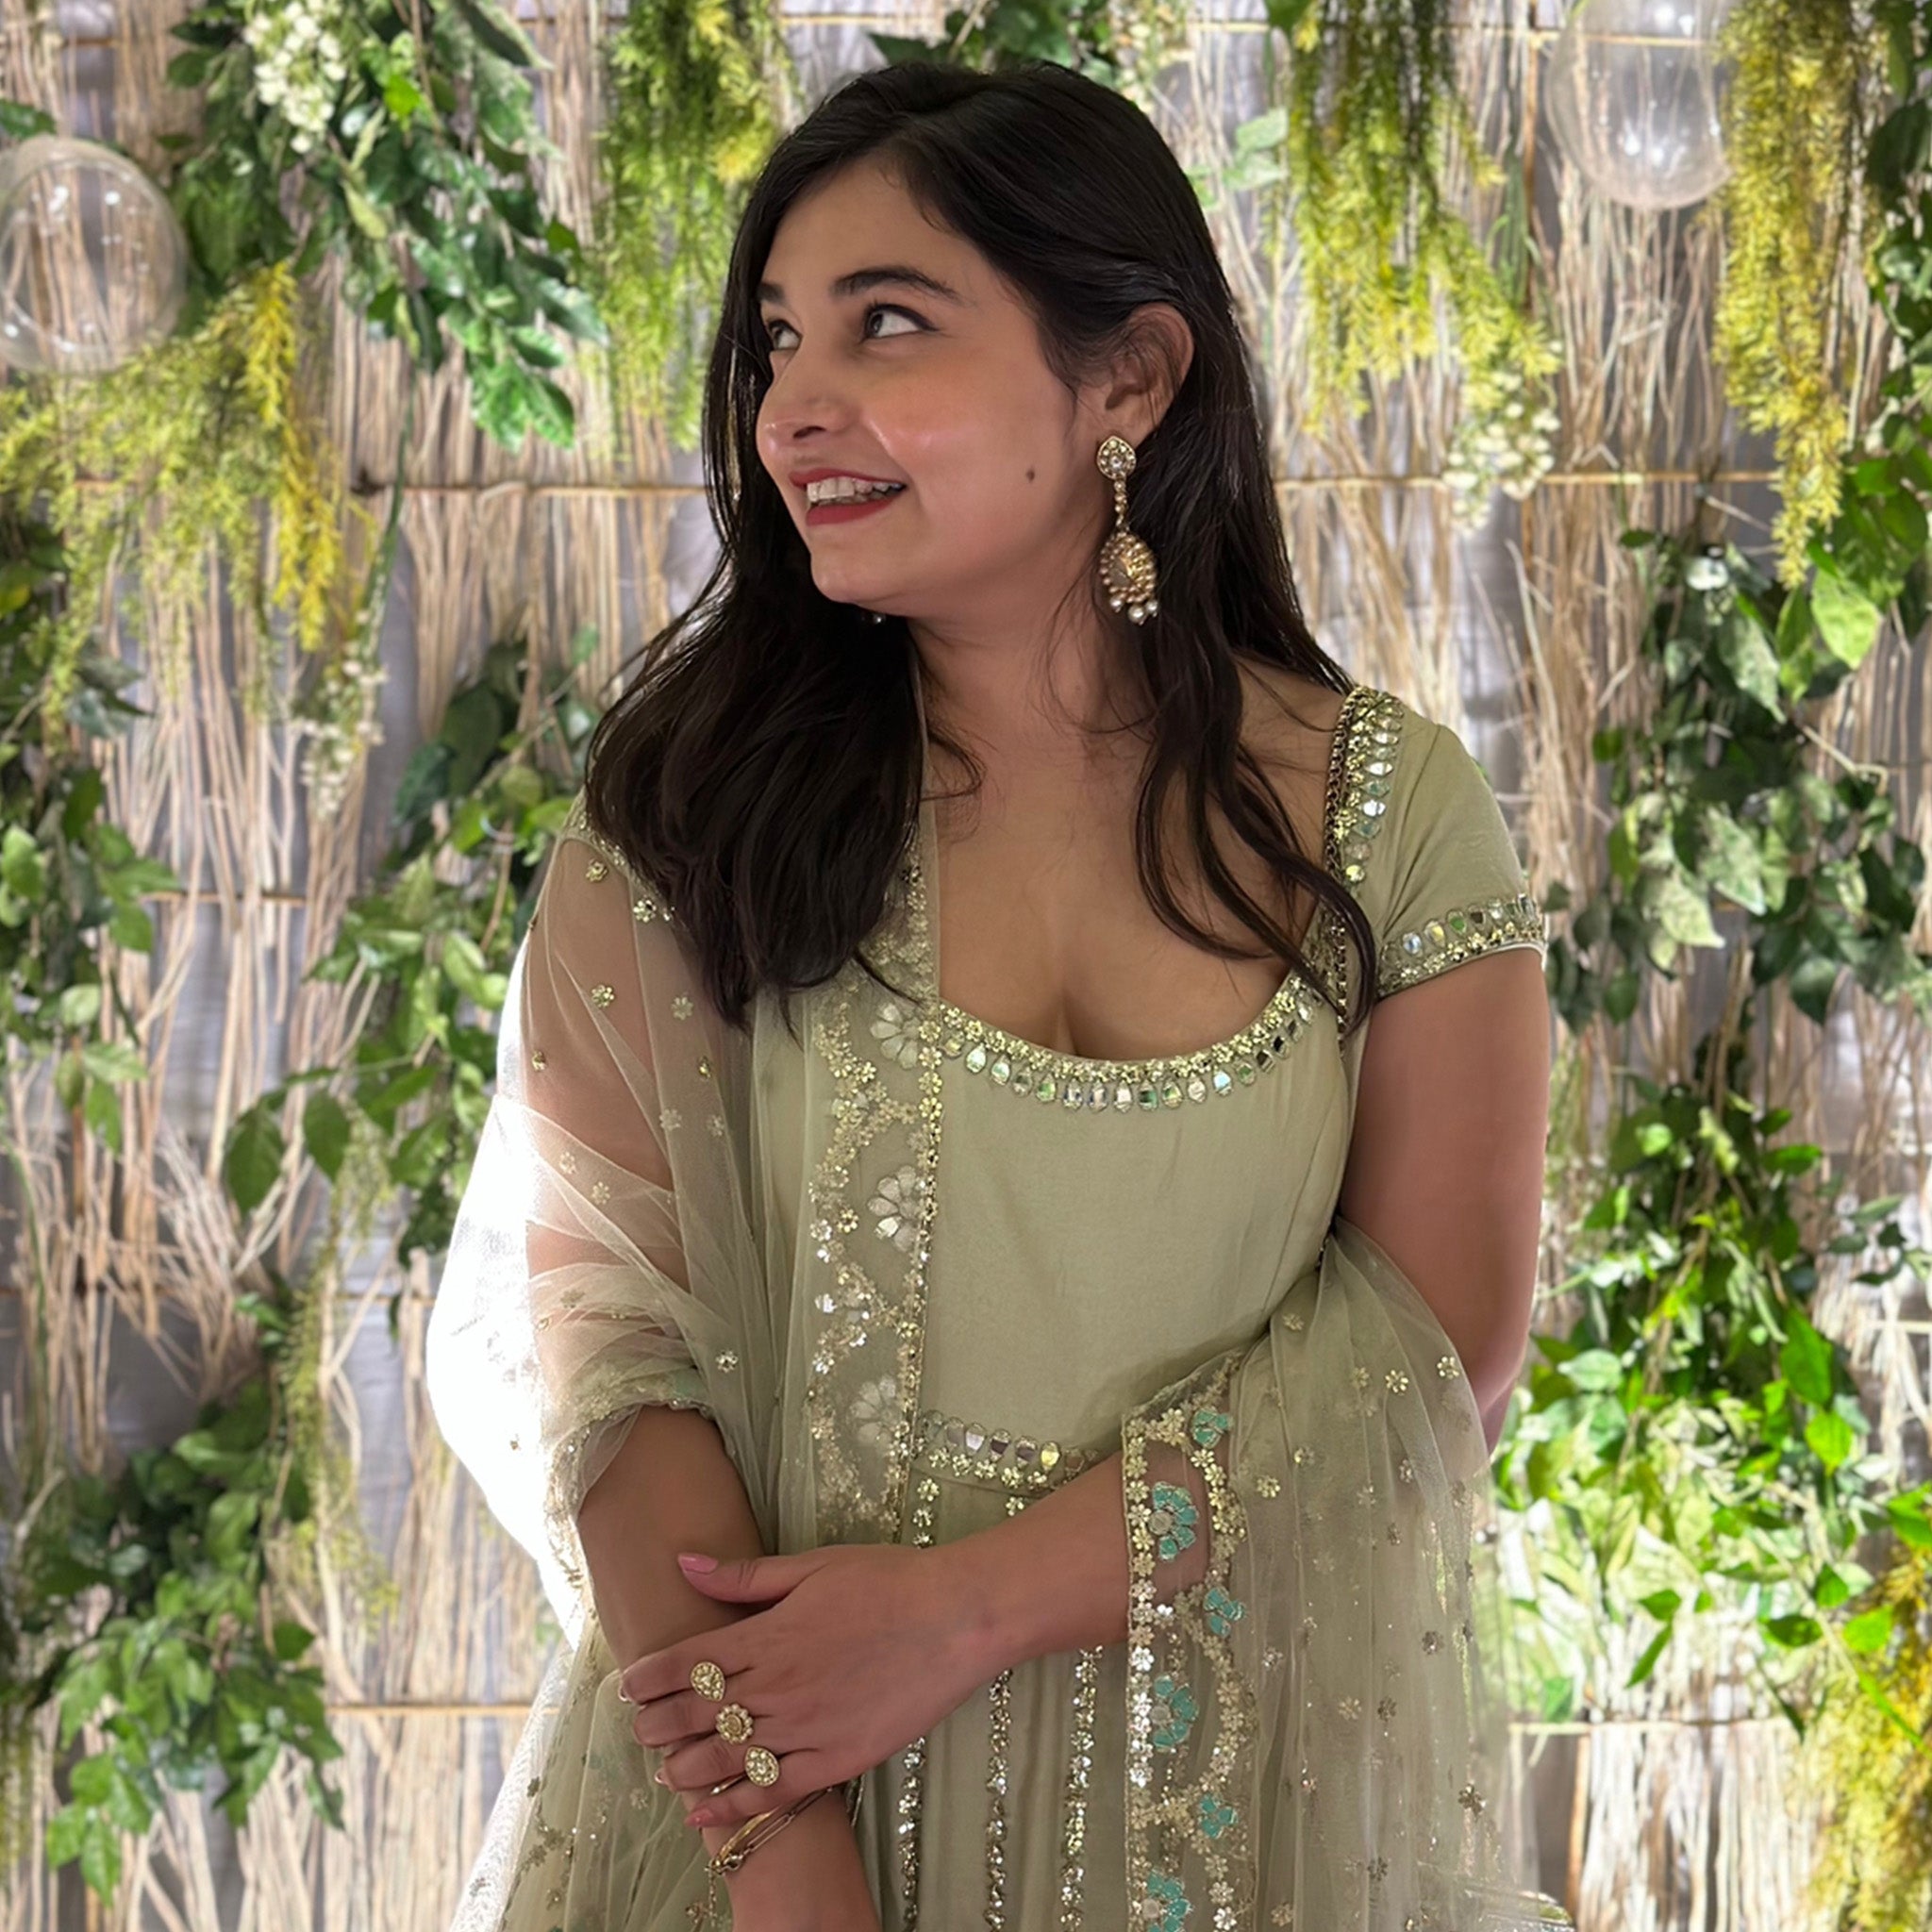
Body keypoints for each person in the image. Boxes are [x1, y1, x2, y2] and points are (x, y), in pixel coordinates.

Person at [425, 57, 1575, 1932]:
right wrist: (786, 1858)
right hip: (762, 1829)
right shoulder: (693, 824)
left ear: (1130, 376)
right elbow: (611, 1355)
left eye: (885, 323)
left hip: (1244, 1840)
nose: (796, 406)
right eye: (777, 341)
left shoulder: (1388, 817)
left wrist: (962, 1613)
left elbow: (1432, 1347)